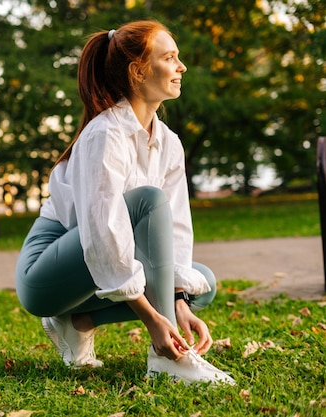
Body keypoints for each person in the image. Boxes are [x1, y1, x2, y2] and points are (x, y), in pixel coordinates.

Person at [15, 20, 235, 386]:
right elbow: (102, 237)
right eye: (170, 58)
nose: (181, 67)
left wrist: (177, 301)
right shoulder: (105, 134)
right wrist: (154, 320)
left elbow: (176, 226)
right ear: (138, 71)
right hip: (47, 271)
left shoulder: (168, 142)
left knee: (201, 284)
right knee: (147, 200)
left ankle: (78, 321)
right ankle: (166, 359)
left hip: (96, 257)